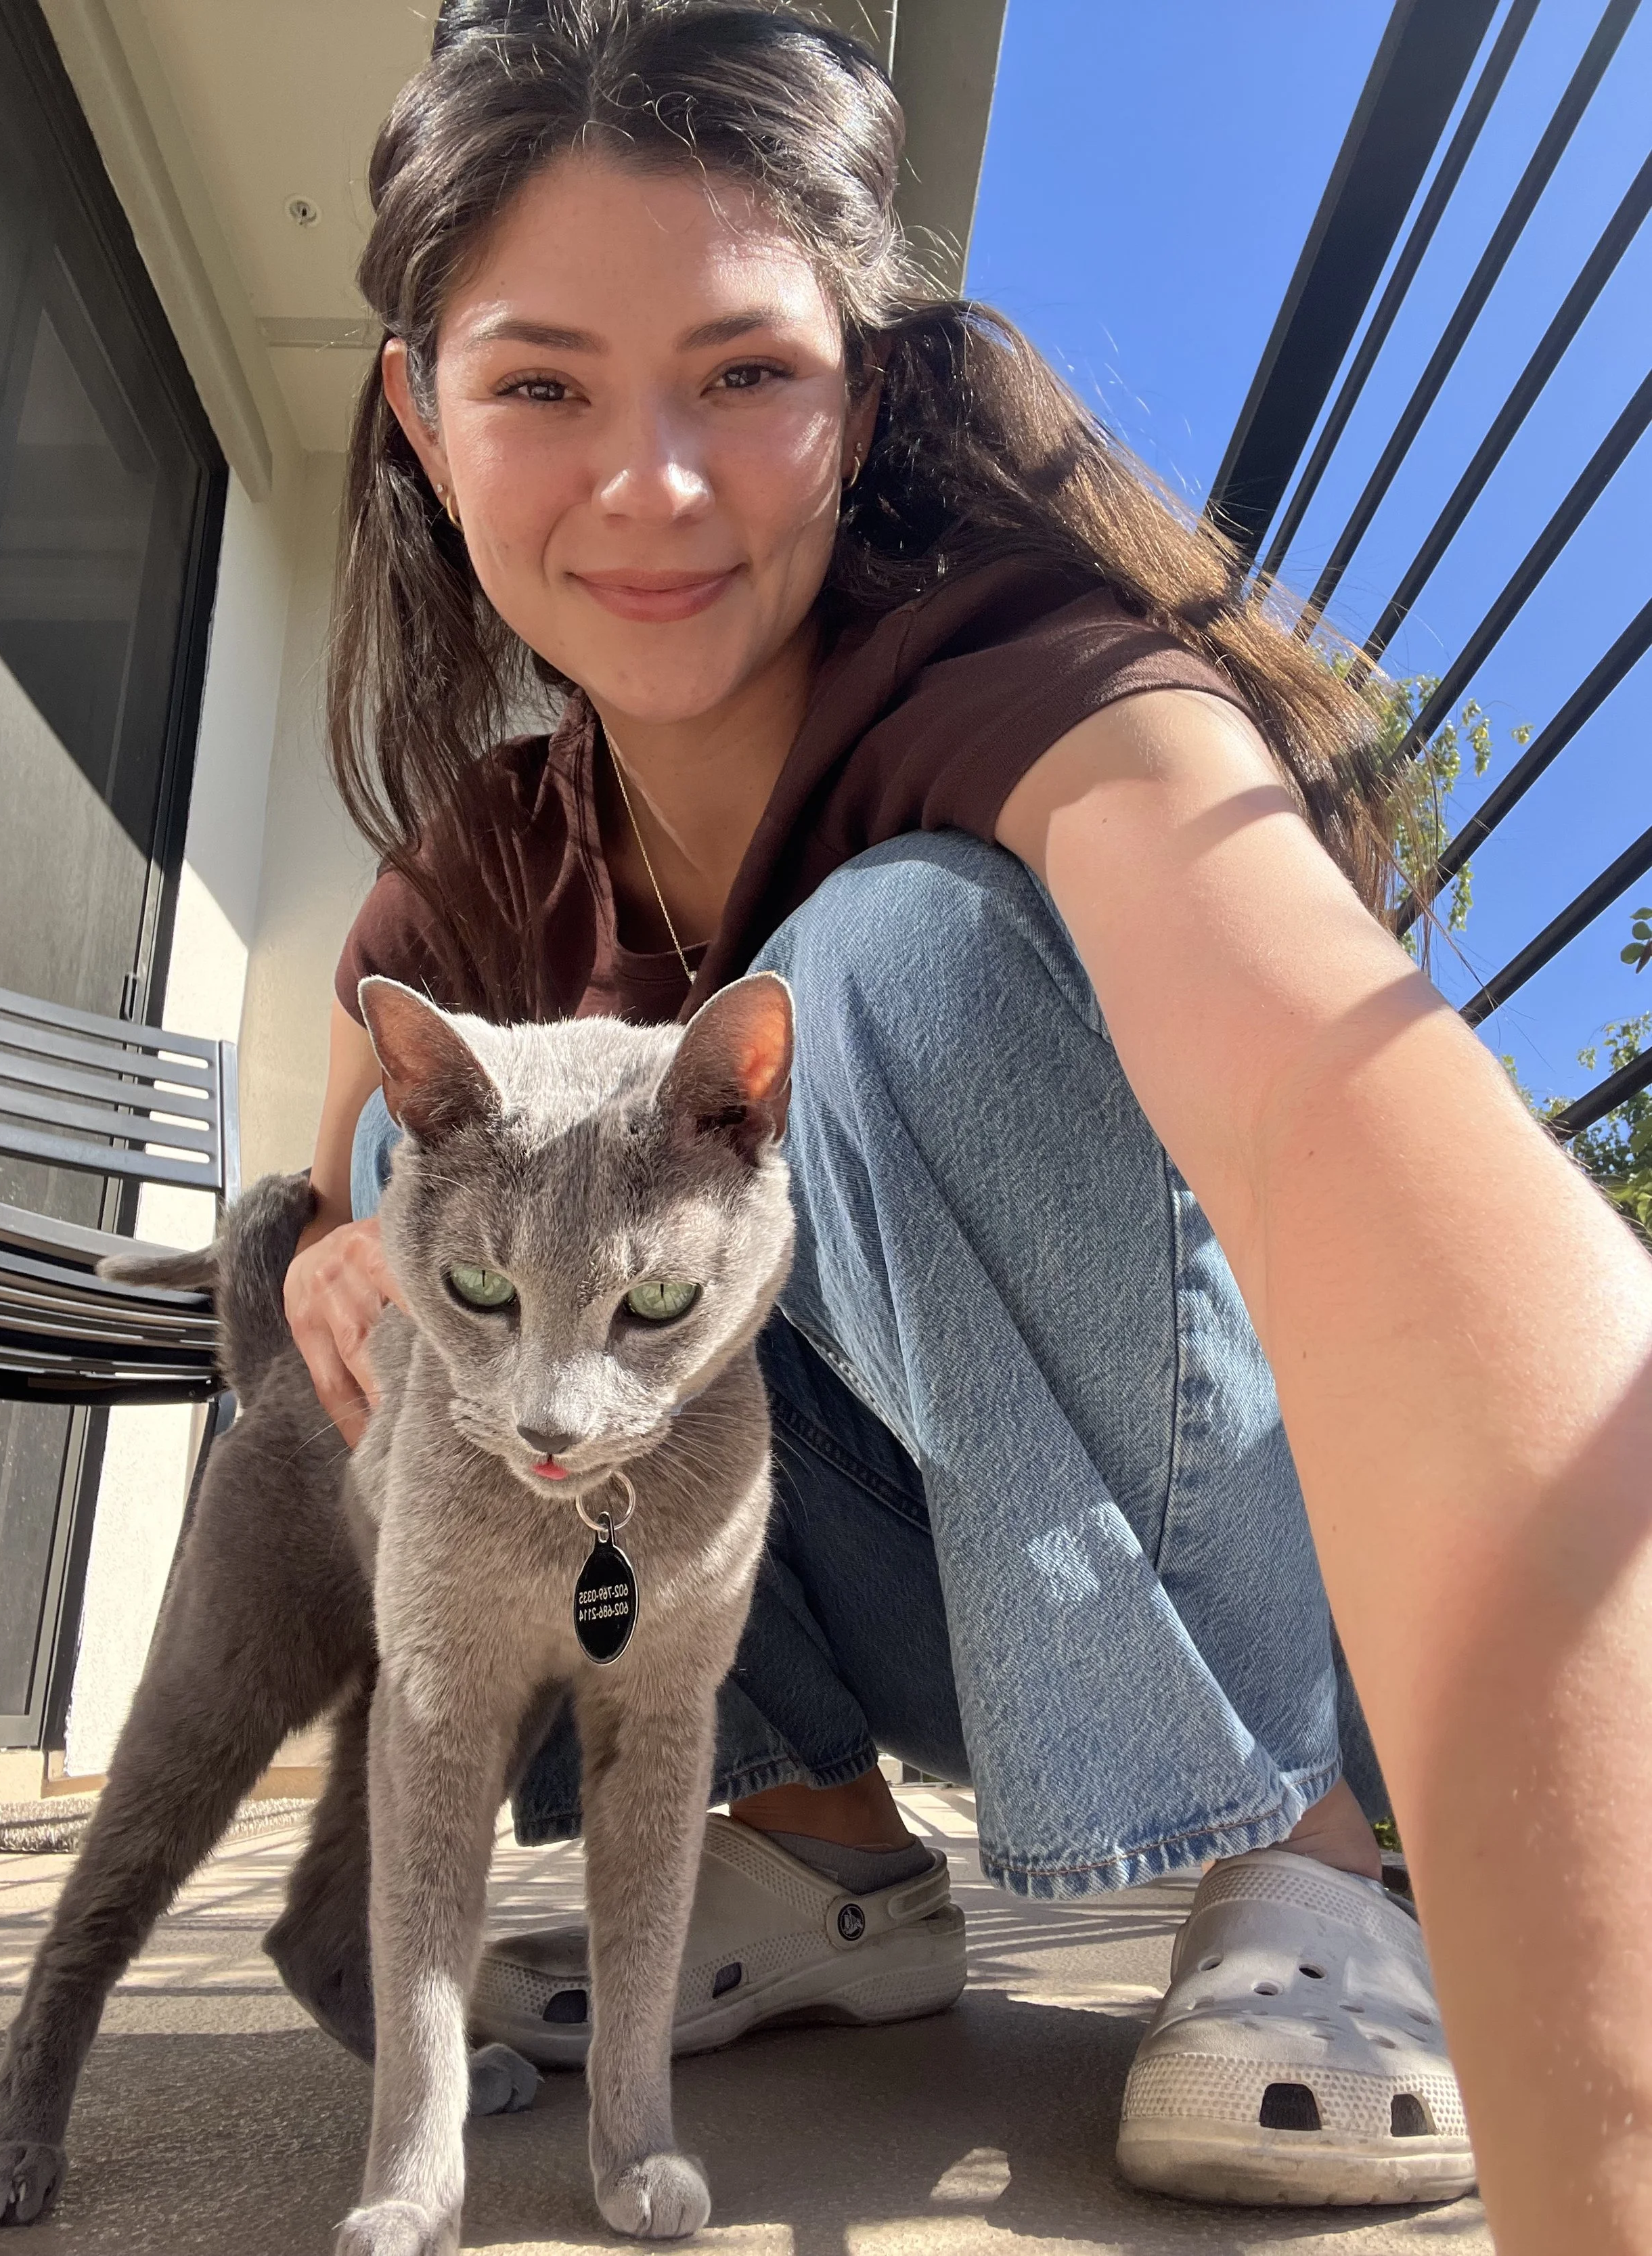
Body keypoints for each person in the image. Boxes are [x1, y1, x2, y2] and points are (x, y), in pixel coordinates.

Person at [282, 1, 1652, 2240]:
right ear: (425, 423)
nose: (653, 483)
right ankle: (813, 1848)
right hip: (869, 1592)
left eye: (743, 371)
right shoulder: (487, 848)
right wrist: (330, 1247)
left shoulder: (1038, 684)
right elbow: (322, 1179)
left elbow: (1345, 1110)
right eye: (540, 382)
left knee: (884, 968)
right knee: (402, 1203)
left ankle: (1297, 1863)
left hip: (1226, 1584)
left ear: (866, 397)